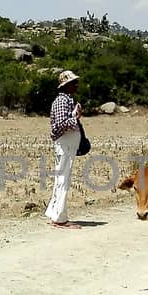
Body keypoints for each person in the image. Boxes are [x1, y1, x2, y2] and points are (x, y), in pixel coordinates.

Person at [45, 69, 82, 227]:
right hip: (64, 145)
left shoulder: (67, 100)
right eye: (73, 83)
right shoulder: (62, 101)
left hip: (66, 145)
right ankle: (60, 218)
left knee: (61, 178)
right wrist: (75, 117)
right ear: (66, 85)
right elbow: (60, 124)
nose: (76, 85)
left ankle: (55, 213)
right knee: (63, 179)